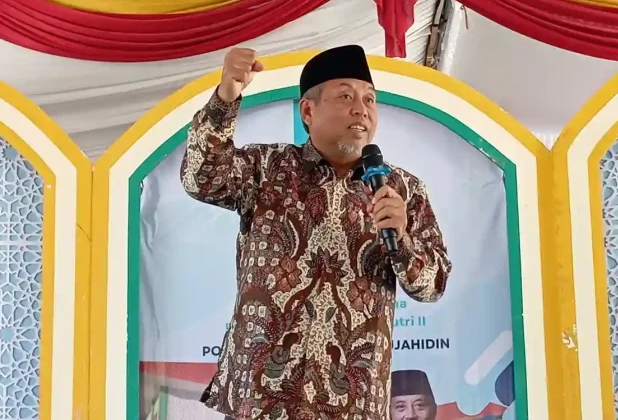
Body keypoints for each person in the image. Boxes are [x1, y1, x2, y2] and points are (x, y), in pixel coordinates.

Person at [180, 45, 453, 419]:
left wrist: (402, 241)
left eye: (370, 100)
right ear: (308, 111)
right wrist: (225, 98)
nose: (362, 109)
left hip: (352, 403)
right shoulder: (268, 169)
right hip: (262, 397)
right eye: (345, 96)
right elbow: (201, 178)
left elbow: (433, 285)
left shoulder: (403, 191)